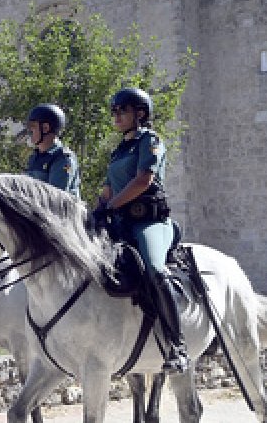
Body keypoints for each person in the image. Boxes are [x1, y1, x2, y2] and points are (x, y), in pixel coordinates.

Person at [96, 87, 188, 373]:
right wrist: (97, 210)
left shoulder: (150, 140)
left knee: (155, 270)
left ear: (140, 113)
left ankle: (177, 345)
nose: (117, 116)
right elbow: (108, 188)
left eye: (122, 110)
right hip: (122, 224)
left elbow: (142, 181)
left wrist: (111, 205)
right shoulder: (118, 150)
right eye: (114, 111)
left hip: (149, 222)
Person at [23, 103, 81, 199]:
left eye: (33, 127)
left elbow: (55, 197)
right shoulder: (35, 156)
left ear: (45, 128)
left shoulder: (63, 159)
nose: (30, 131)